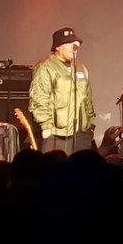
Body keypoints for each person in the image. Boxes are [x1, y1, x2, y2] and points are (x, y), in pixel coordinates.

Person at [28, 27, 97, 155]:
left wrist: (91, 123)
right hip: (57, 132)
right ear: (57, 47)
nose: (74, 47)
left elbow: (87, 97)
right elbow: (39, 97)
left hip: (82, 132)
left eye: (76, 45)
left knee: (81, 169)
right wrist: (45, 125)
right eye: (70, 44)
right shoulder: (46, 67)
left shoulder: (80, 67)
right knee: (57, 169)